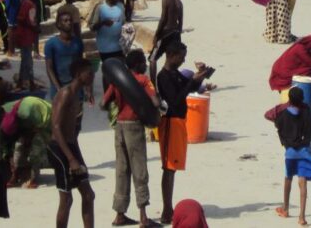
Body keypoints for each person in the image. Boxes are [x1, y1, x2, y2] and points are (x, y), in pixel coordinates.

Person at [101, 50, 159, 228]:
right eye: (143, 62)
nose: (145, 65)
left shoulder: (118, 81)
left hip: (119, 125)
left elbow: (103, 104)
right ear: (139, 64)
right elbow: (155, 102)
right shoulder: (142, 80)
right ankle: (143, 217)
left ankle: (120, 214)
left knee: (122, 169)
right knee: (139, 169)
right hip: (134, 125)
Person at [157, 42, 212, 224]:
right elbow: (175, 99)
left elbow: (190, 88)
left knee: (173, 168)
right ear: (171, 55)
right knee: (169, 167)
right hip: (171, 122)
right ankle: (167, 209)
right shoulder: (163, 76)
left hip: (179, 122)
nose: (183, 59)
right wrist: (192, 81)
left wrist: (200, 77)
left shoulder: (174, 73)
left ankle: (168, 208)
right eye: (181, 56)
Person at [48, 58, 96, 228]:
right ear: (78, 74)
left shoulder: (78, 96)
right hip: (58, 149)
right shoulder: (66, 93)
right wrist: (71, 159)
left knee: (88, 194)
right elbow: (55, 127)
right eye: (89, 73)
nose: (92, 76)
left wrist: (78, 156)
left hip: (71, 146)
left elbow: (73, 132)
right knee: (66, 199)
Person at [271, 86, 311, 225]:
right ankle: (302, 217)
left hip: (290, 152)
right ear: (302, 99)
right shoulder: (306, 111)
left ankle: (285, 208)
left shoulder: (283, 114)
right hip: (304, 151)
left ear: (289, 99)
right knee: (302, 182)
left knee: (288, 178)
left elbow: (271, 117)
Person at [269, 36, 311, 108]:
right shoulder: (299, 48)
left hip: (292, 69)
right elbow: (309, 63)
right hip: (284, 72)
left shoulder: (307, 49)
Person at [89, 0, 126, 88]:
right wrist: (102, 23)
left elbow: (124, 23)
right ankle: (107, 96)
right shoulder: (100, 8)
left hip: (119, 45)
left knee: (121, 71)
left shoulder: (121, 6)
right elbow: (92, 27)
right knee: (108, 72)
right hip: (105, 47)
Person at [45, 11, 85, 100]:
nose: (69, 23)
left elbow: (81, 66)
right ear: (58, 25)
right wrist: (58, 88)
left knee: (77, 113)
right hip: (58, 88)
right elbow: (49, 68)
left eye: (70, 20)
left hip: (76, 89)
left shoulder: (78, 43)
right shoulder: (51, 44)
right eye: (65, 21)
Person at [150, 0, 184, 72]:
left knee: (153, 59)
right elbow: (181, 21)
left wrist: (157, 34)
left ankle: (153, 84)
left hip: (165, 32)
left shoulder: (165, 1)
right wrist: (178, 35)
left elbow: (163, 19)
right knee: (171, 58)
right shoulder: (179, 2)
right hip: (176, 33)